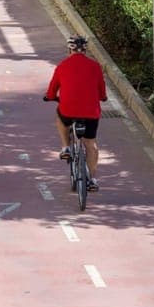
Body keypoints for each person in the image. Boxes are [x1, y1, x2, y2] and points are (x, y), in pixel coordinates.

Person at [43, 35, 107, 191]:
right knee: (91, 144)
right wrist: (102, 97)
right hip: (91, 112)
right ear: (85, 50)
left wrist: (50, 97)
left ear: (69, 49)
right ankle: (92, 179)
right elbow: (102, 92)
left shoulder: (62, 66)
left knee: (60, 116)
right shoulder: (95, 66)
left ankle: (65, 147)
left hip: (68, 109)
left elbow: (52, 91)